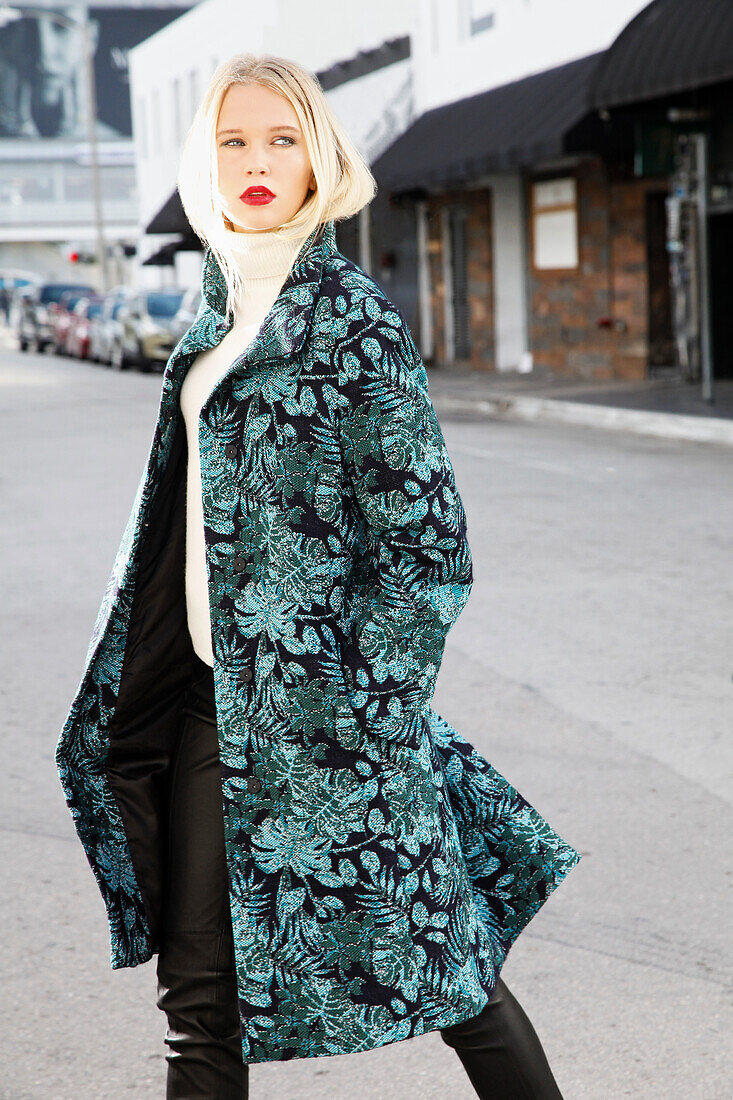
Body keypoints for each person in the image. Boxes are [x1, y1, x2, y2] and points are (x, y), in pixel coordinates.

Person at [55, 52, 582, 1099]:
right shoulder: (209, 318)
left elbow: (427, 545)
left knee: (453, 976)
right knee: (200, 999)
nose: (257, 161)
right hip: (214, 706)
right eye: (233, 141)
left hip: (340, 719)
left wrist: (372, 705)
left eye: (281, 139)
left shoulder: (347, 319)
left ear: (318, 160)